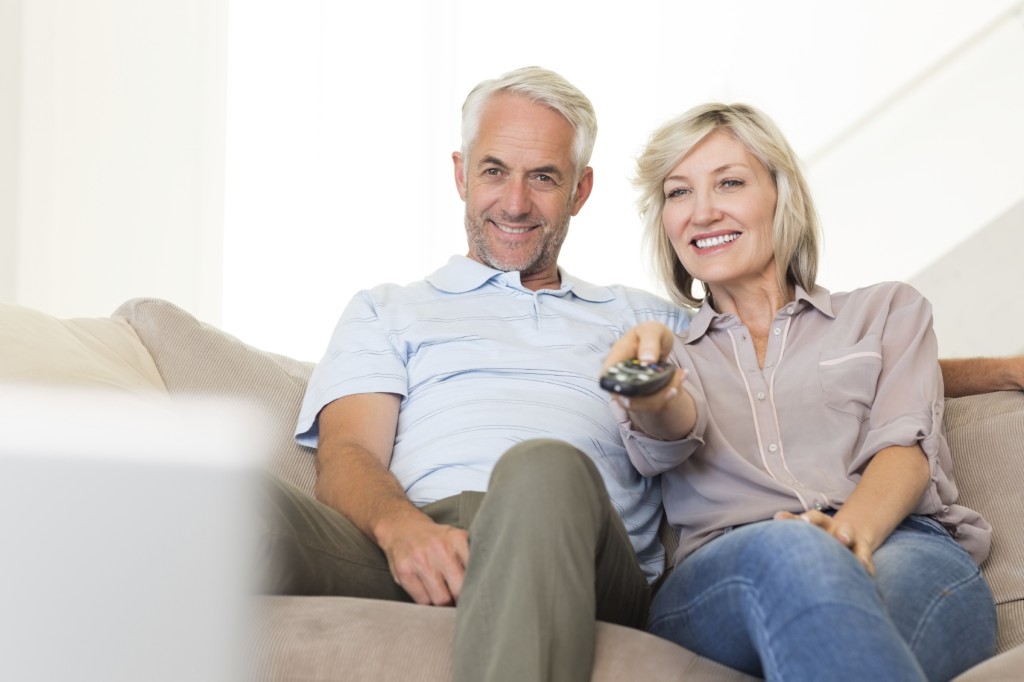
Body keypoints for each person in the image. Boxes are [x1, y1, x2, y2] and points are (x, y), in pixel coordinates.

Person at [262, 66, 690, 682]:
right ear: (461, 174)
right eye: (494, 171)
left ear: (581, 190)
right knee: (218, 500)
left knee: (543, 466)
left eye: (543, 177)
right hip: (419, 542)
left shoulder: (645, 317)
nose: (514, 203)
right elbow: (349, 453)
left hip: (577, 546)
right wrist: (405, 530)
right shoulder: (386, 309)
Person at [602, 103, 998, 681]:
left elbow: (903, 448)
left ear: (780, 194)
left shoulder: (886, 311)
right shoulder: (666, 352)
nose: (702, 211)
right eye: (678, 193)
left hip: (901, 544)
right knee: (794, 555)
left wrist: (840, 536)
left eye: (729, 183)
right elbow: (671, 425)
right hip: (725, 571)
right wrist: (650, 390)